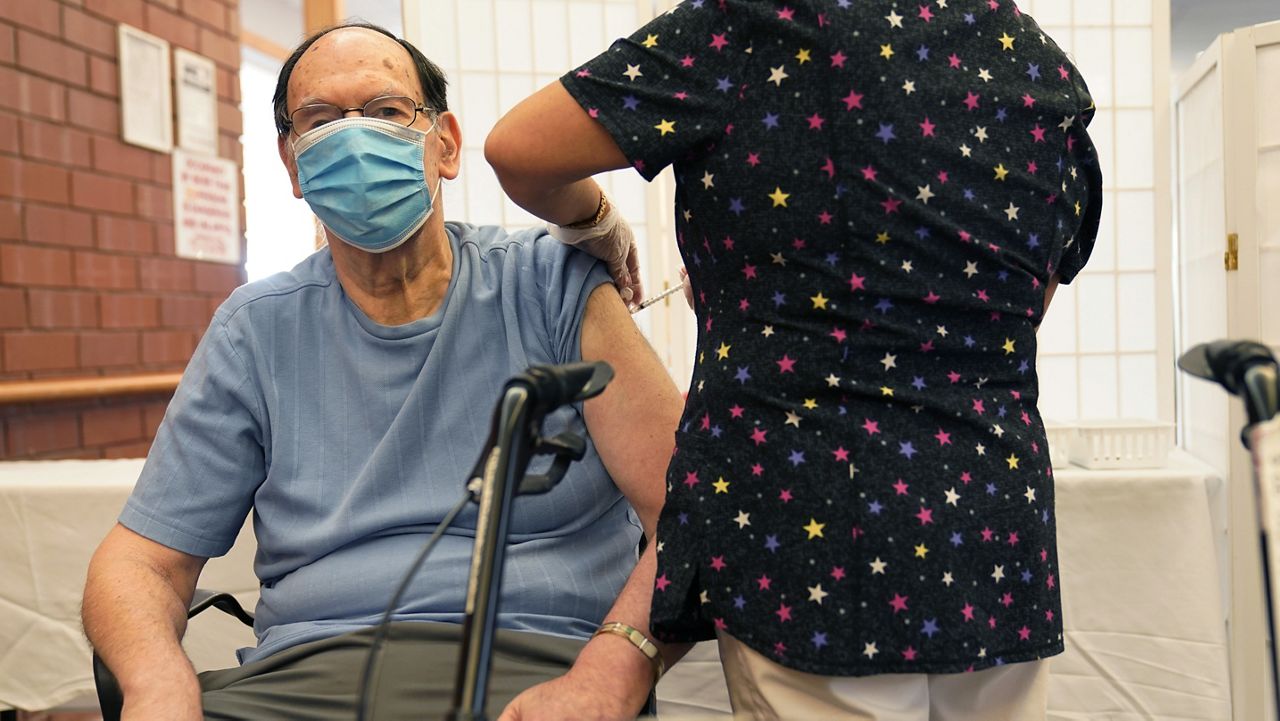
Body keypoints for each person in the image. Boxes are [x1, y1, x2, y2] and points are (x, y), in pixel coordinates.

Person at [485, 1, 1103, 718]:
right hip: (993, 542)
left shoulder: (755, 21)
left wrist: (597, 219)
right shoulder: (1045, 73)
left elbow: (518, 150)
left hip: (817, 536)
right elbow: (1012, 317)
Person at [81, 23, 685, 721]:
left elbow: (688, 513)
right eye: (320, 119)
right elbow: (139, 563)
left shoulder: (553, 288)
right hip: (306, 683)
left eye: (386, 111)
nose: (354, 136)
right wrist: (160, 683)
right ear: (293, 165)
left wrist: (610, 674)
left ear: (446, 143)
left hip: (536, 674)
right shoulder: (256, 329)